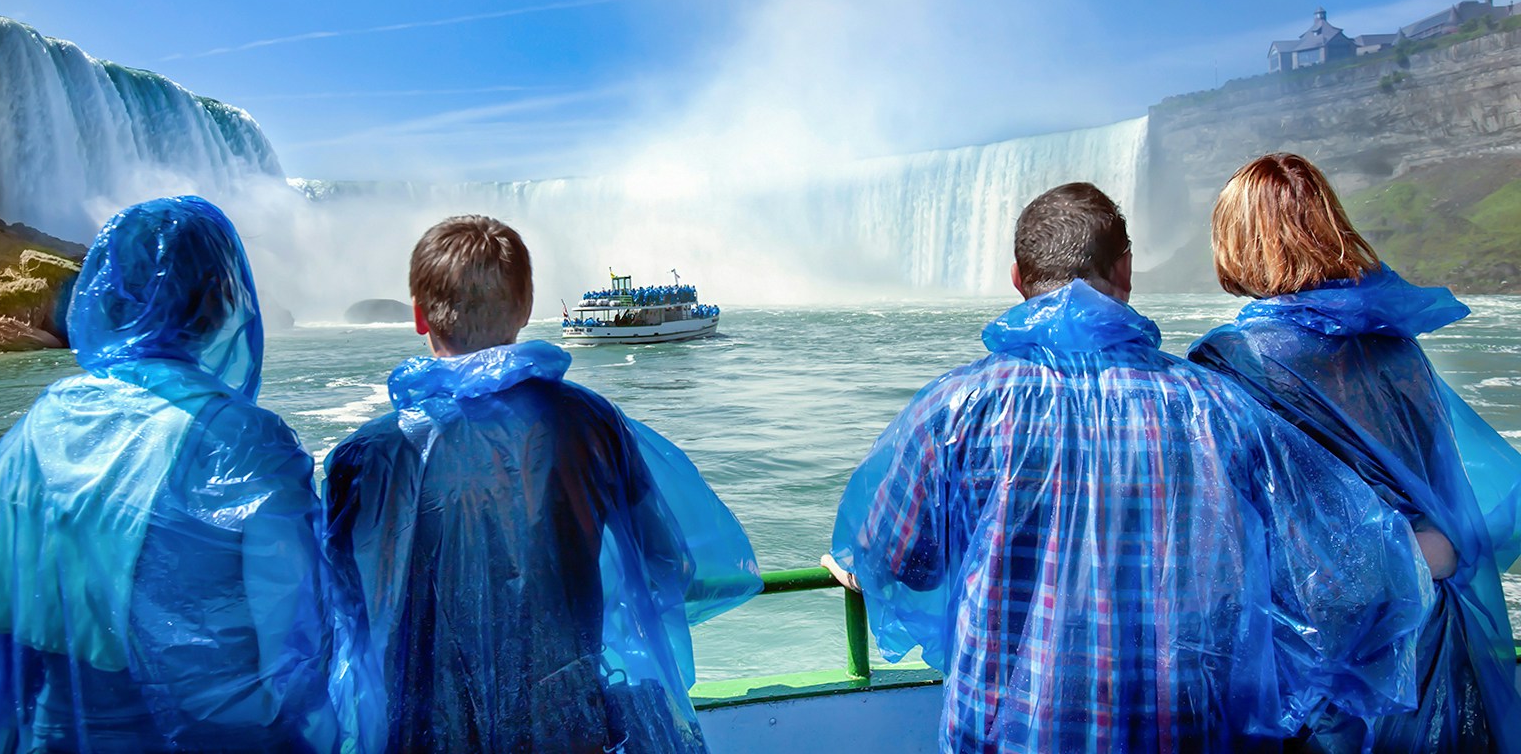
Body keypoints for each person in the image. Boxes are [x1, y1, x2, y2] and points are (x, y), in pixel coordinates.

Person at [827, 182, 1433, 753]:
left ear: (1018, 280)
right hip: (1181, 734)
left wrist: (857, 567)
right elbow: (1336, 575)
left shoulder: (953, 407)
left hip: (1006, 736)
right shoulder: (1220, 407)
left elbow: (897, 559)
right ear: (1124, 271)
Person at [322, 215, 760, 754]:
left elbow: (337, 609)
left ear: (418, 315)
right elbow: (669, 564)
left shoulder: (363, 456)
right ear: (527, 309)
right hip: (562, 719)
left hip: (421, 729)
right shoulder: (590, 425)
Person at [0, 196, 343, 753]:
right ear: (224, 300)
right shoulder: (248, 444)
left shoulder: (36, 432)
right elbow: (295, 636)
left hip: (56, 736)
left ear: (106, 297)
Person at [1188, 152, 1521, 752]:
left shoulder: (1231, 360)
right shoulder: (1397, 349)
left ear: (1236, 243)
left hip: (1313, 657)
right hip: (1425, 630)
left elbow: (1215, 535)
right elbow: (1445, 497)